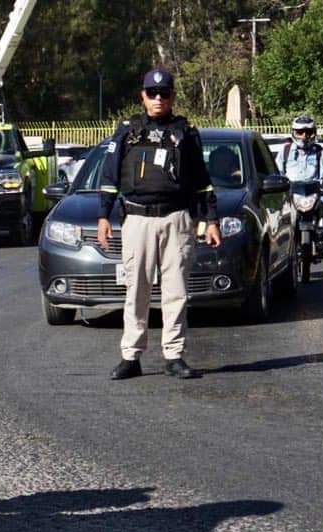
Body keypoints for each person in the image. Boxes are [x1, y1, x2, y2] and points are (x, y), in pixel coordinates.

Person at [96, 68, 221, 381]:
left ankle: (174, 355)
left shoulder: (186, 133)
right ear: (142, 96)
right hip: (137, 219)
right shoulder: (127, 131)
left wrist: (211, 219)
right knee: (136, 290)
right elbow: (110, 178)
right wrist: (103, 215)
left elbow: (202, 182)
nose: (158, 99)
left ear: (172, 97)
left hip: (176, 219)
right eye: (152, 94)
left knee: (175, 291)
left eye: (164, 93)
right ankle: (131, 356)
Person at [275, 115, 323, 258]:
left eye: (308, 132)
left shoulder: (320, 152)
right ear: (293, 132)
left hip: (314, 194)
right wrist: (281, 185)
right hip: (291, 195)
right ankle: (280, 246)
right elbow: (278, 172)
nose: (304, 136)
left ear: (314, 132)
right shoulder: (285, 151)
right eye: (300, 132)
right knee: (277, 214)